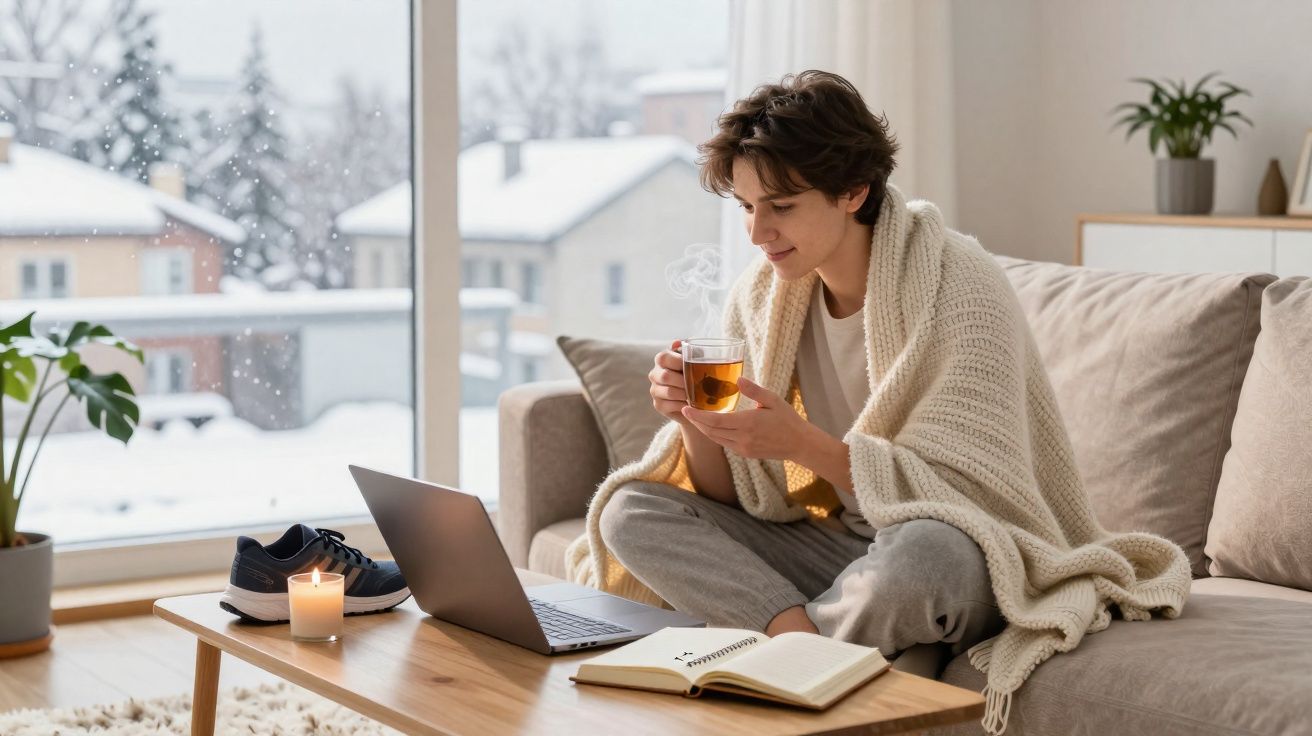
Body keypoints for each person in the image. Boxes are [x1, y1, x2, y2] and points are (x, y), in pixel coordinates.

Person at [565, 70, 1189, 735]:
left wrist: (803, 447)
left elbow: (968, 504)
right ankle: (800, 647)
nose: (757, 232)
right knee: (631, 509)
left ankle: (797, 656)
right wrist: (694, 424)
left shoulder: (958, 282)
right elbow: (734, 499)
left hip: (953, 548)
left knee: (923, 558)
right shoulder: (762, 294)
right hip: (831, 551)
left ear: (851, 192)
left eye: (780, 206)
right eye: (746, 207)